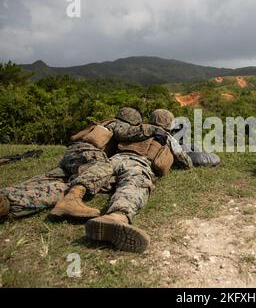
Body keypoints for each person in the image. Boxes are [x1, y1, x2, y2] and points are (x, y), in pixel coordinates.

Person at [0, 107, 152, 220]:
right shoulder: (118, 124)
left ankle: (7, 197)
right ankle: (72, 200)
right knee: (104, 167)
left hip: (72, 154)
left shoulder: (102, 123)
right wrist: (150, 130)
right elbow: (125, 133)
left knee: (56, 178)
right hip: (88, 152)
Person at [84, 109, 194, 253]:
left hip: (114, 160)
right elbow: (186, 162)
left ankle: (71, 197)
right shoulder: (167, 137)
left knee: (90, 179)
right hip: (138, 165)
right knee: (134, 186)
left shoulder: (138, 129)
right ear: (169, 125)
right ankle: (117, 216)